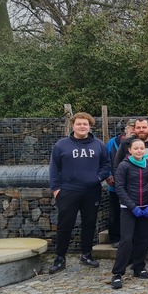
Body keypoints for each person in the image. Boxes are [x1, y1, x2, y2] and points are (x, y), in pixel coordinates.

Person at [48, 112, 111, 274]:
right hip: (68, 191)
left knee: (89, 224)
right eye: (79, 124)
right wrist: (56, 189)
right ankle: (60, 258)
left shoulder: (99, 145)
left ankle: (86, 254)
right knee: (65, 225)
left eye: (85, 124)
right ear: (73, 126)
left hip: (91, 191)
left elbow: (106, 165)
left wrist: (97, 178)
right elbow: (54, 168)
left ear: (90, 126)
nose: (82, 126)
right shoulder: (61, 145)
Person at [114, 118, 148, 267]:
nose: (141, 130)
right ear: (135, 129)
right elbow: (117, 165)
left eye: (144, 127)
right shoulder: (126, 144)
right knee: (130, 232)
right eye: (139, 127)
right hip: (130, 195)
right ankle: (129, 257)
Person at [111, 138, 148, 289]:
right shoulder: (124, 166)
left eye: (141, 148)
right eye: (136, 148)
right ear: (130, 150)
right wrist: (132, 207)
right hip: (128, 209)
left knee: (143, 239)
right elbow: (119, 188)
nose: (139, 151)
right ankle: (118, 273)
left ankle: (139, 267)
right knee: (126, 240)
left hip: (145, 208)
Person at [105, 119, 135, 247]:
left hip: (133, 187)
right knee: (115, 213)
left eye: (136, 128)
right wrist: (108, 175)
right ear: (126, 129)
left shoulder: (139, 143)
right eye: (131, 128)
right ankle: (115, 239)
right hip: (115, 185)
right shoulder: (112, 143)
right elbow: (105, 160)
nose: (133, 130)